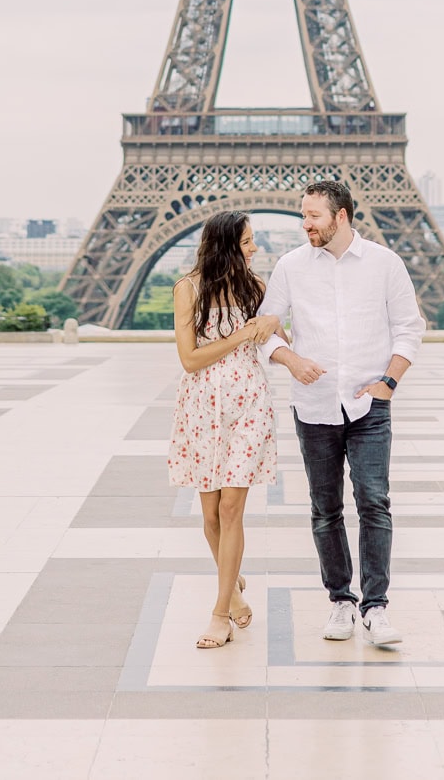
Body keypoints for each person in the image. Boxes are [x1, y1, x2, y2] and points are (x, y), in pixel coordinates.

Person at [257, 178, 425, 648]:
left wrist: (389, 383)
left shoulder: (385, 264)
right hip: (314, 406)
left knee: (374, 502)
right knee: (325, 509)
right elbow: (265, 330)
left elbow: (409, 328)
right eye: (303, 215)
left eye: (313, 216)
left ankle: (376, 607)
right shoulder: (290, 266)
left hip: (369, 405)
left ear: (341, 216)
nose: (304, 224)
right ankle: (341, 601)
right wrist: (292, 361)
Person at [168, 209, 280, 649]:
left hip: (249, 402)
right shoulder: (188, 289)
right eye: (248, 241)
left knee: (231, 509)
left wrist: (274, 325)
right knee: (211, 515)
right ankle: (232, 588)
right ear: (226, 245)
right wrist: (240, 336)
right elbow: (190, 359)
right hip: (203, 408)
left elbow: (275, 339)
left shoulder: (256, 288)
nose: (255, 248)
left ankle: (219, 615)